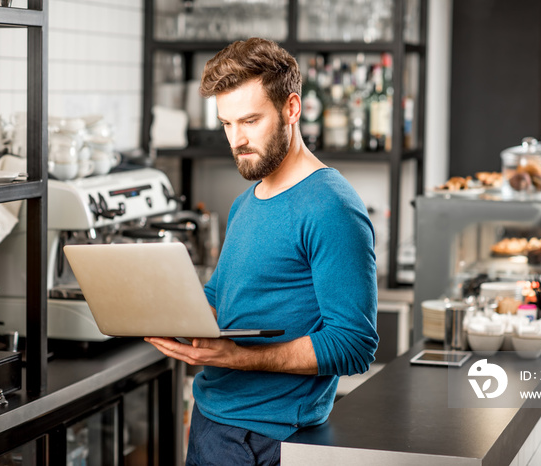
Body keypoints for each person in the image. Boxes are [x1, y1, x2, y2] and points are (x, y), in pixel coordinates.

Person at [145, 37, 379, 465]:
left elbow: (354, 345)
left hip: (264, 439)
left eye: (250, 121)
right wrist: (167, 310)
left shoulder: (332, 207)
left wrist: (239, 357)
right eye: (227, 124)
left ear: (291, 109)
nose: (237, 139)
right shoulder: (246, 202)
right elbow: (221, 299)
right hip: (211, 421)